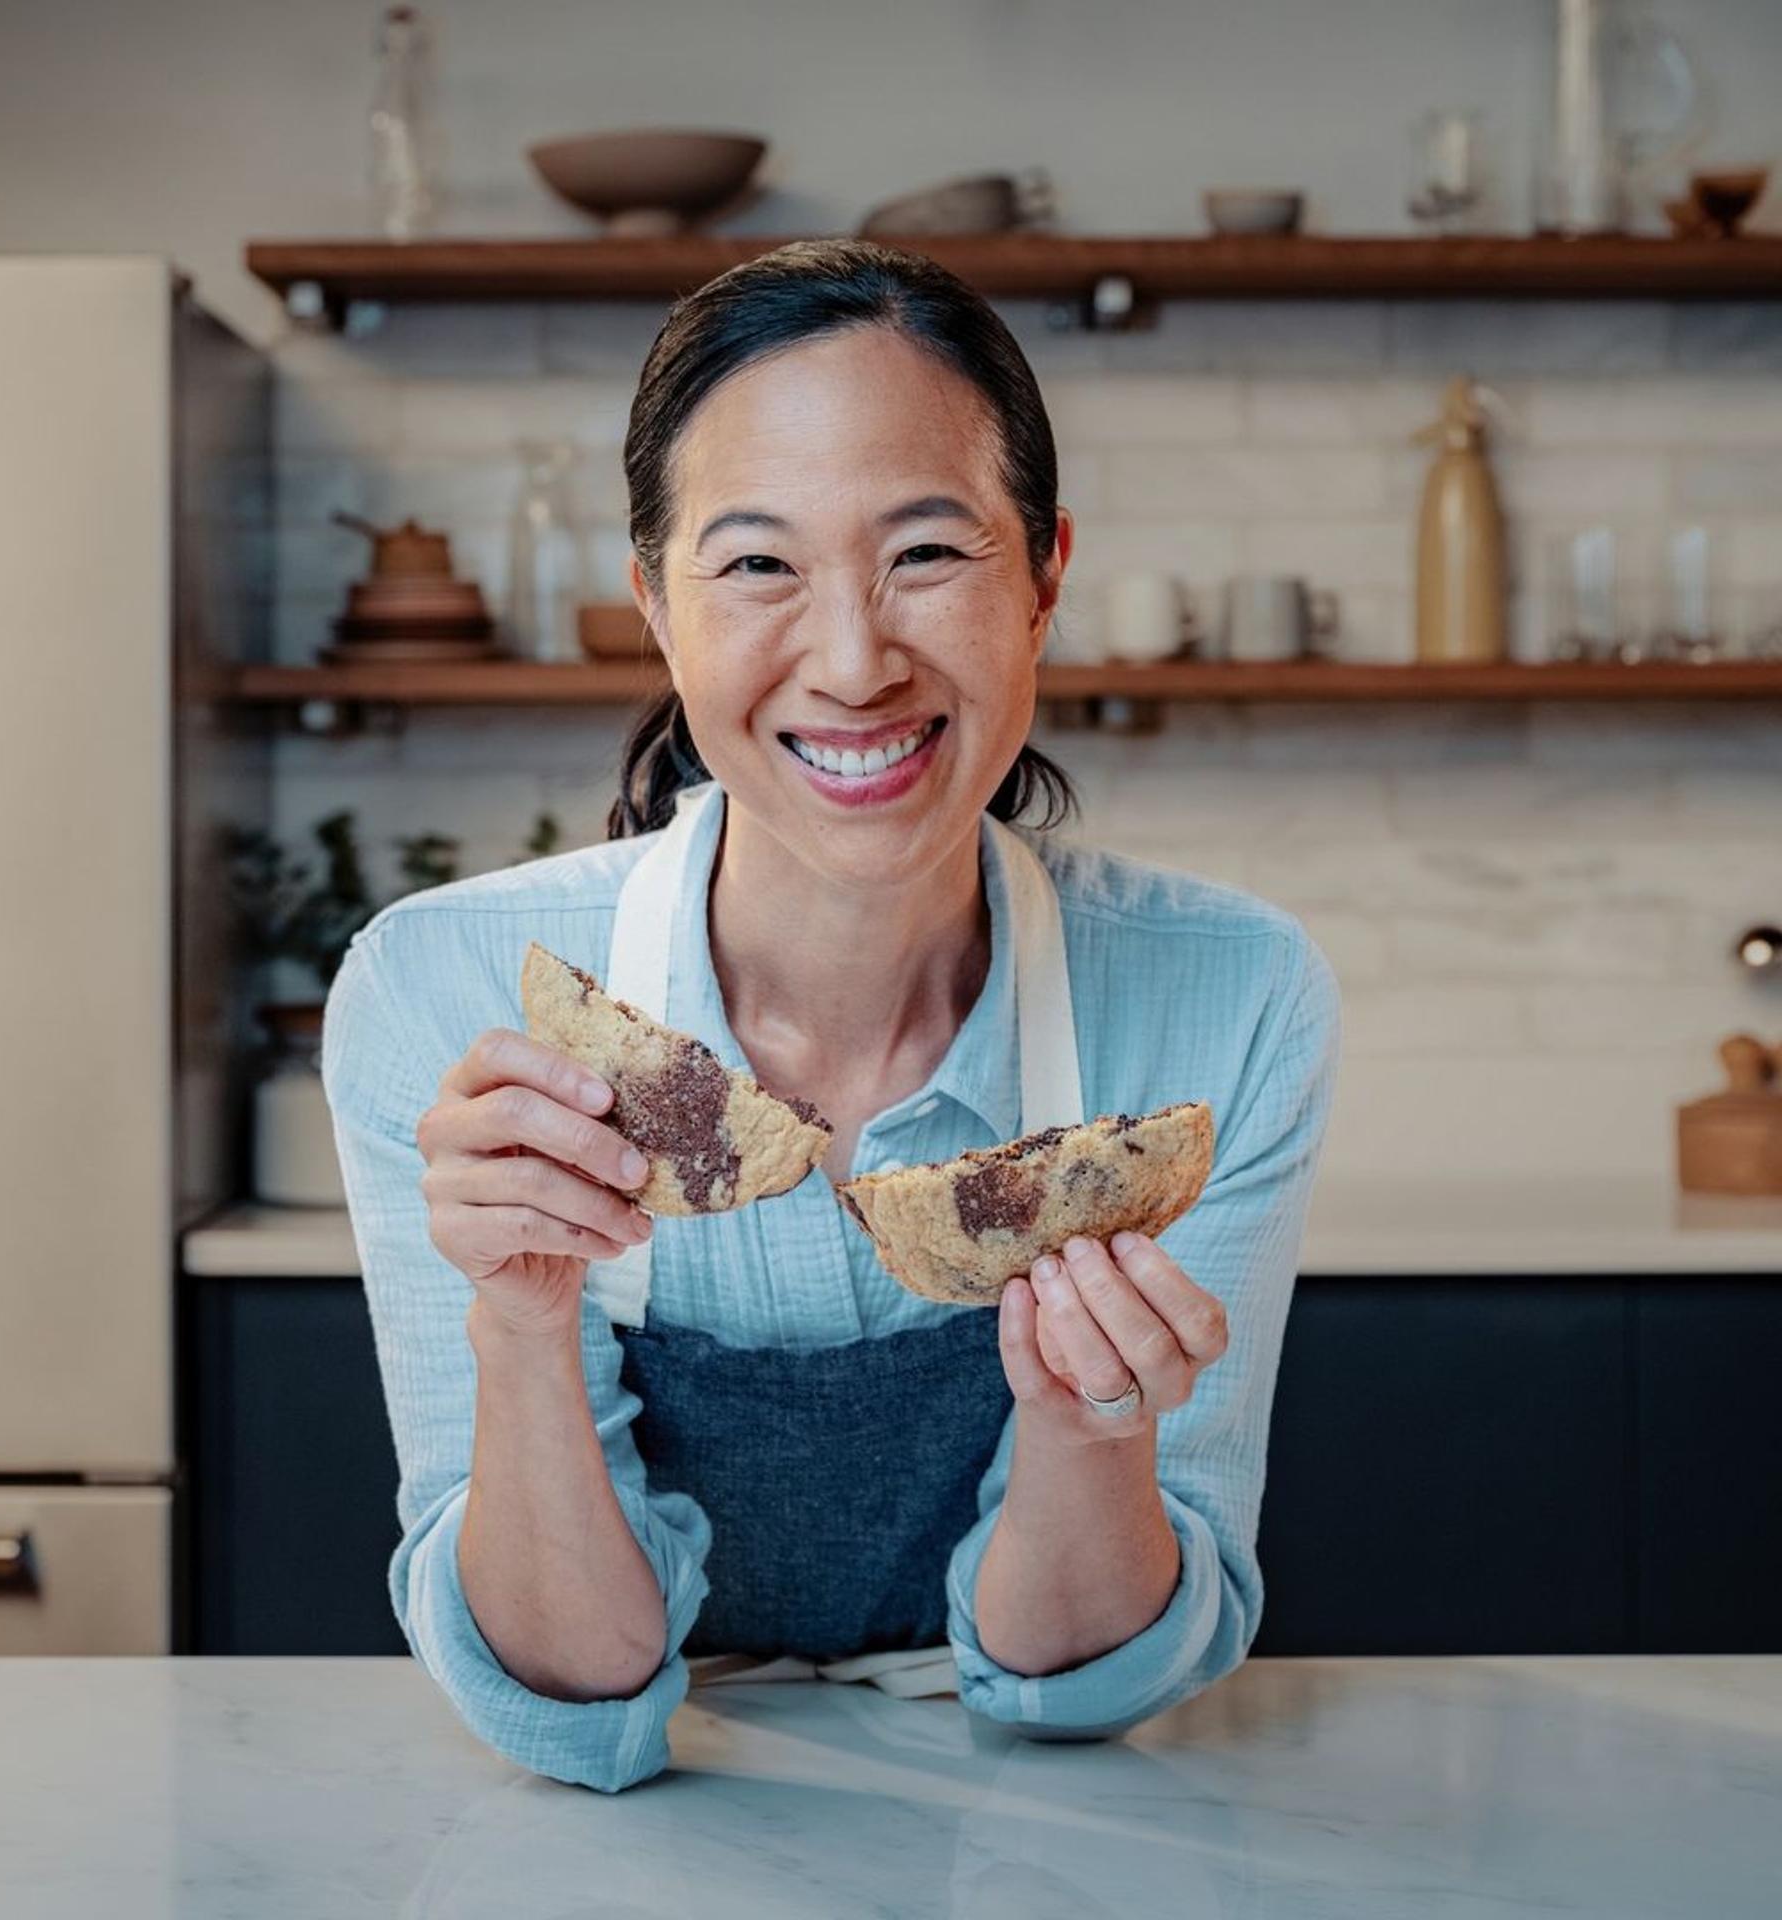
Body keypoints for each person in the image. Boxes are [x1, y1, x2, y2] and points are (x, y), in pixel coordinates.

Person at [320, 237, 1341, 1794]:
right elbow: (568, 1700)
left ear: (1045, 579)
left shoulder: (1229, 999)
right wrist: (524, 1324)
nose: (855, 663)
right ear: (656, 606)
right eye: (757, 566)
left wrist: (1090, 1428)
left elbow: (1085, 1693)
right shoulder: (441, 992)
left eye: (926, 553)